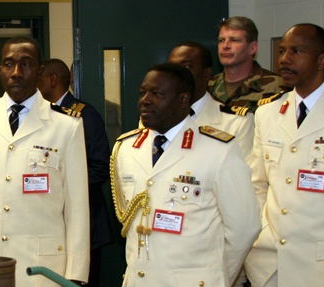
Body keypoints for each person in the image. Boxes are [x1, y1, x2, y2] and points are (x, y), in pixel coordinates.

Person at [0, 37, 90, 287]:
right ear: (1, 70)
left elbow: (77, 208)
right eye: (8, 64)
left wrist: (76, 274)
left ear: (40, 71)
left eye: (26, 64)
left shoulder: (67, 125)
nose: (16, 73)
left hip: (43, 270)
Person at [111, 63, 260, 286]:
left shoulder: (218, 150)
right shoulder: (126, 148)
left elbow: (244, 228)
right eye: (143, 93)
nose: (146, 100)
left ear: (183, 100)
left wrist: (214, 276)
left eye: (157, 94)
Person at [245, 23, 324, 287]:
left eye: (296, 51)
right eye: (282, 51)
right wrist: (259, 234)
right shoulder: (267, 113)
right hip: (271, 263)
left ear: (322, 60)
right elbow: (257, 184)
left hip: (323, 263)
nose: (284, 59)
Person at [37, 58, 113, 287]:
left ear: (52, 80)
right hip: (51, 222)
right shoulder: (41, 115)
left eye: (38, 78)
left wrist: (62, 188)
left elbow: (100, 166)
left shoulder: (83, 115)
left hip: (85, 221)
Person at [169, 41, 254, 161]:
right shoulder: (156, 116)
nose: (177, 75)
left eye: (186, 67)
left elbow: (243, 175)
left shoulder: (237, 122)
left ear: (206, 74)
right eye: (171, 69)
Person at [208, 16, 289, 113]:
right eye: (221, 40)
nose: (225, 46)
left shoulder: (277, 86)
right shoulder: (208, 87)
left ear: (252, 48)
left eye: (234, 40)